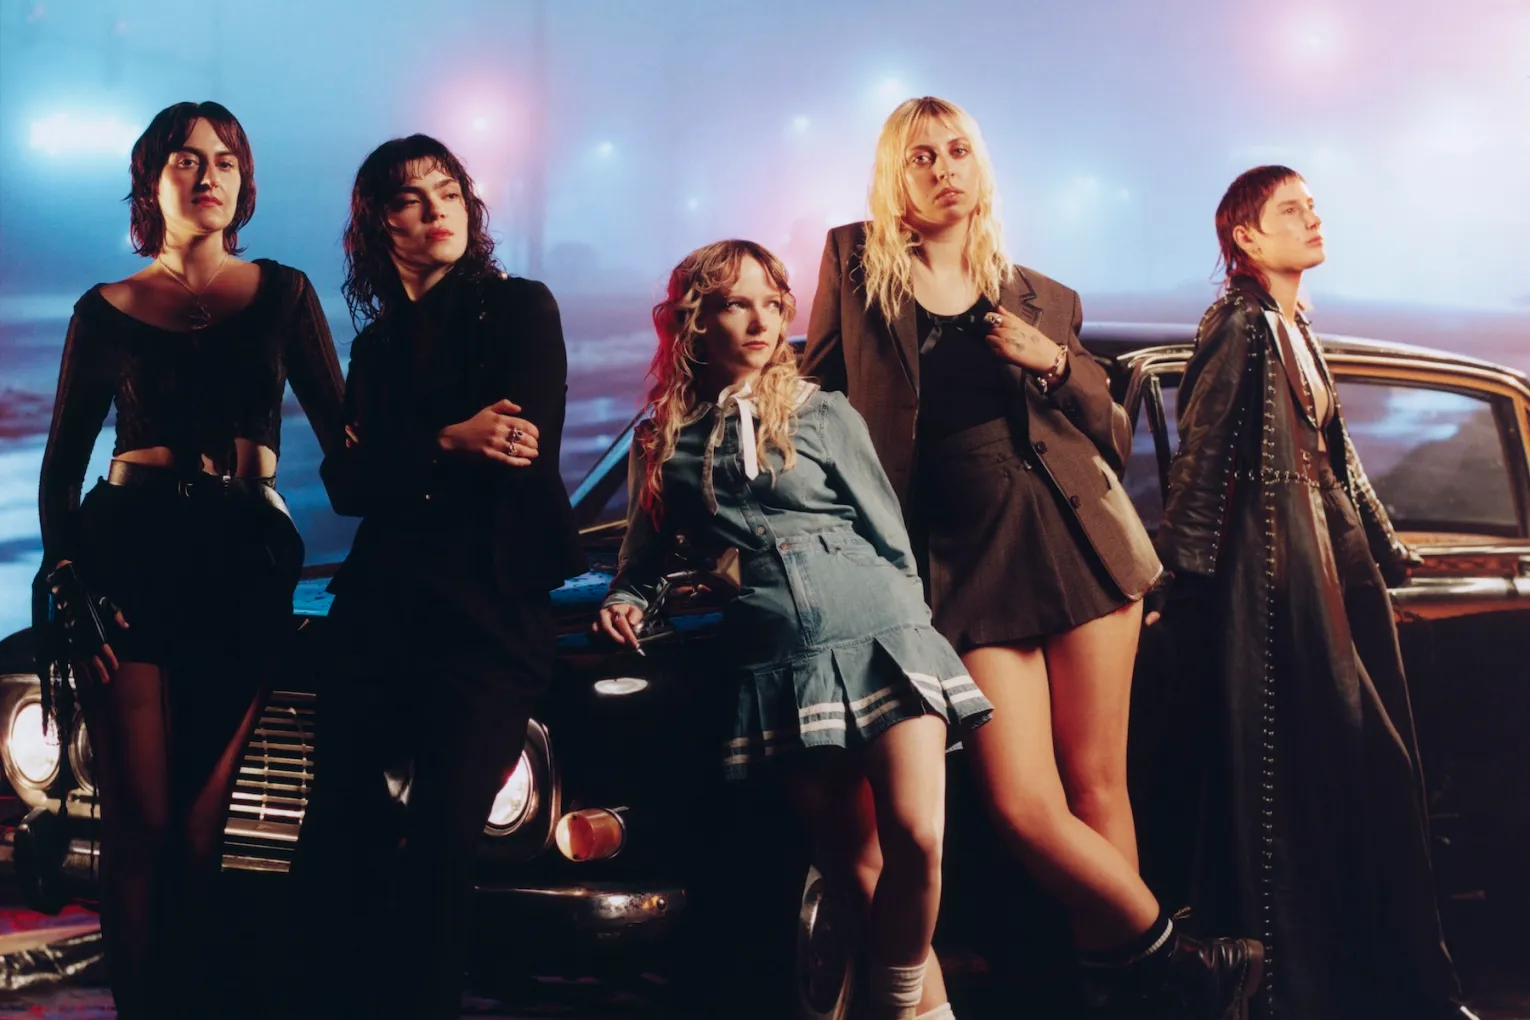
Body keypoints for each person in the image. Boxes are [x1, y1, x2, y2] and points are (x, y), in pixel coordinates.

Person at [802, 95, 1262, 1018]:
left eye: (959, 151)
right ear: (898, 173)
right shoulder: (857, 266)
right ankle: (1182, 964)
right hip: (958, 563)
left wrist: (1052, 361)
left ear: (982, 166)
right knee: (1021, 804)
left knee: (1099, 788)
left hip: (1077, 540)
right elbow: (815, 396)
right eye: (922, 155)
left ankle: (1126, 998)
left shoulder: (1043, 296)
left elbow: (1115, 430)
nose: (944, 169)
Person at [596, 240, 991, 1020]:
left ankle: (892, 1002)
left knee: (920, 839)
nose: (761, 319)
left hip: (881, 629)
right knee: (855, 872)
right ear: (694, 319)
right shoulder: (663, 437)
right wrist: (628, 600)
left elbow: (889, 535)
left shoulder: (825, 412)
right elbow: (640, 563)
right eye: (737, 303)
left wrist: (914, 630)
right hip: (779, 656)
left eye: (773, 304)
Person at [33, 100, 346, 1018]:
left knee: (200, 834)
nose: (207, 174)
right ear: (152, 181)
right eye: (185, 159)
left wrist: (448, 439)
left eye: (225, 160)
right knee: (141, 827)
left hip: (244, 557)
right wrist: (72, 589)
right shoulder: (108, 309)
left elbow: (349, 445)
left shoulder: (283, 293)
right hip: (127, 552)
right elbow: (59, 475)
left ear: (244, 184)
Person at [1156, 164, 1474, 1020]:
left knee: (1370, 770)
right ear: (1247, 238)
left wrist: (1389, 549)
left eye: (1313, 204)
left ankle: (1369, 984)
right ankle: (1294, 992)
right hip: (1281, 578)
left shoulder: (1294, 325)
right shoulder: (1240, 325)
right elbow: (1205, 454)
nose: (1312, 216)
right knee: (1304, 785)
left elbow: (1336, 457)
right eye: (1291, 209)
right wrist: (1179, 582)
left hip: (1328, 566)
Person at [288, 134, 585, 1019]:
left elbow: (521, 453)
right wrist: (448, 441)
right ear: (378, 225)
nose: (438, 209)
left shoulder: (521, 309)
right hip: (381, 616)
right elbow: (343, 487)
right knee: (334, 834)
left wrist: (400, 461)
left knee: (444, 845)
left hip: (490, 618)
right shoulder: (377, 346)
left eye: (449, 191)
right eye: (412, 199)